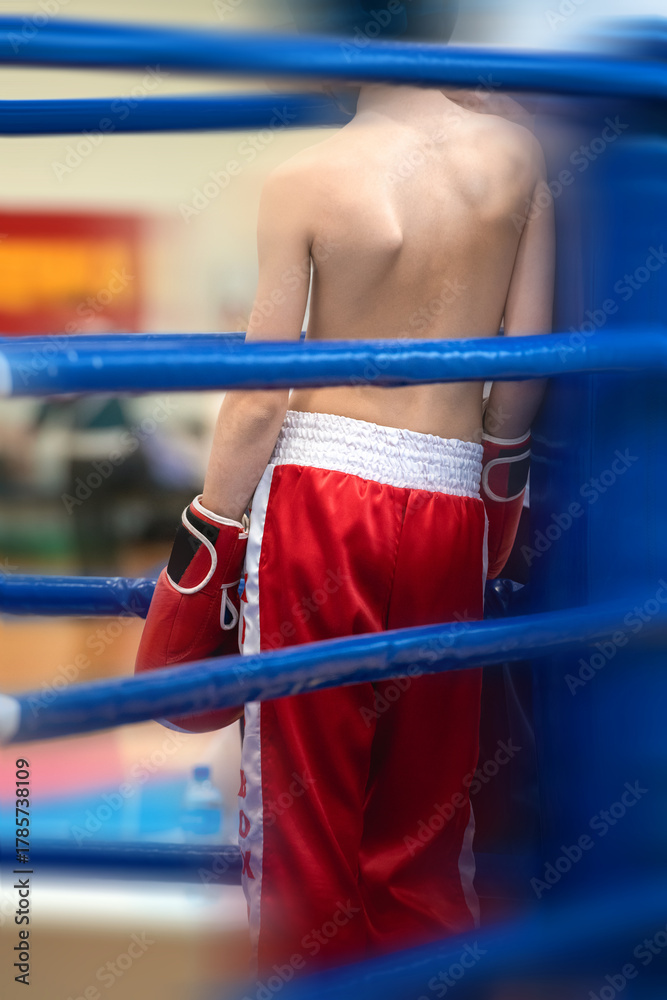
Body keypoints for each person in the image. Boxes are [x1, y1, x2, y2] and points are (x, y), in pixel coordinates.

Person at [135, 0, 555, 979]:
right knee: (427, 808)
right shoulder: (517, 157)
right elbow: (526, 367)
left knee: (304, 806)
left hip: (323, 495)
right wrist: (497, 494)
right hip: (453, 491)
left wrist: (208, 533)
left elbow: (254, 401)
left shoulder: (306, 178)